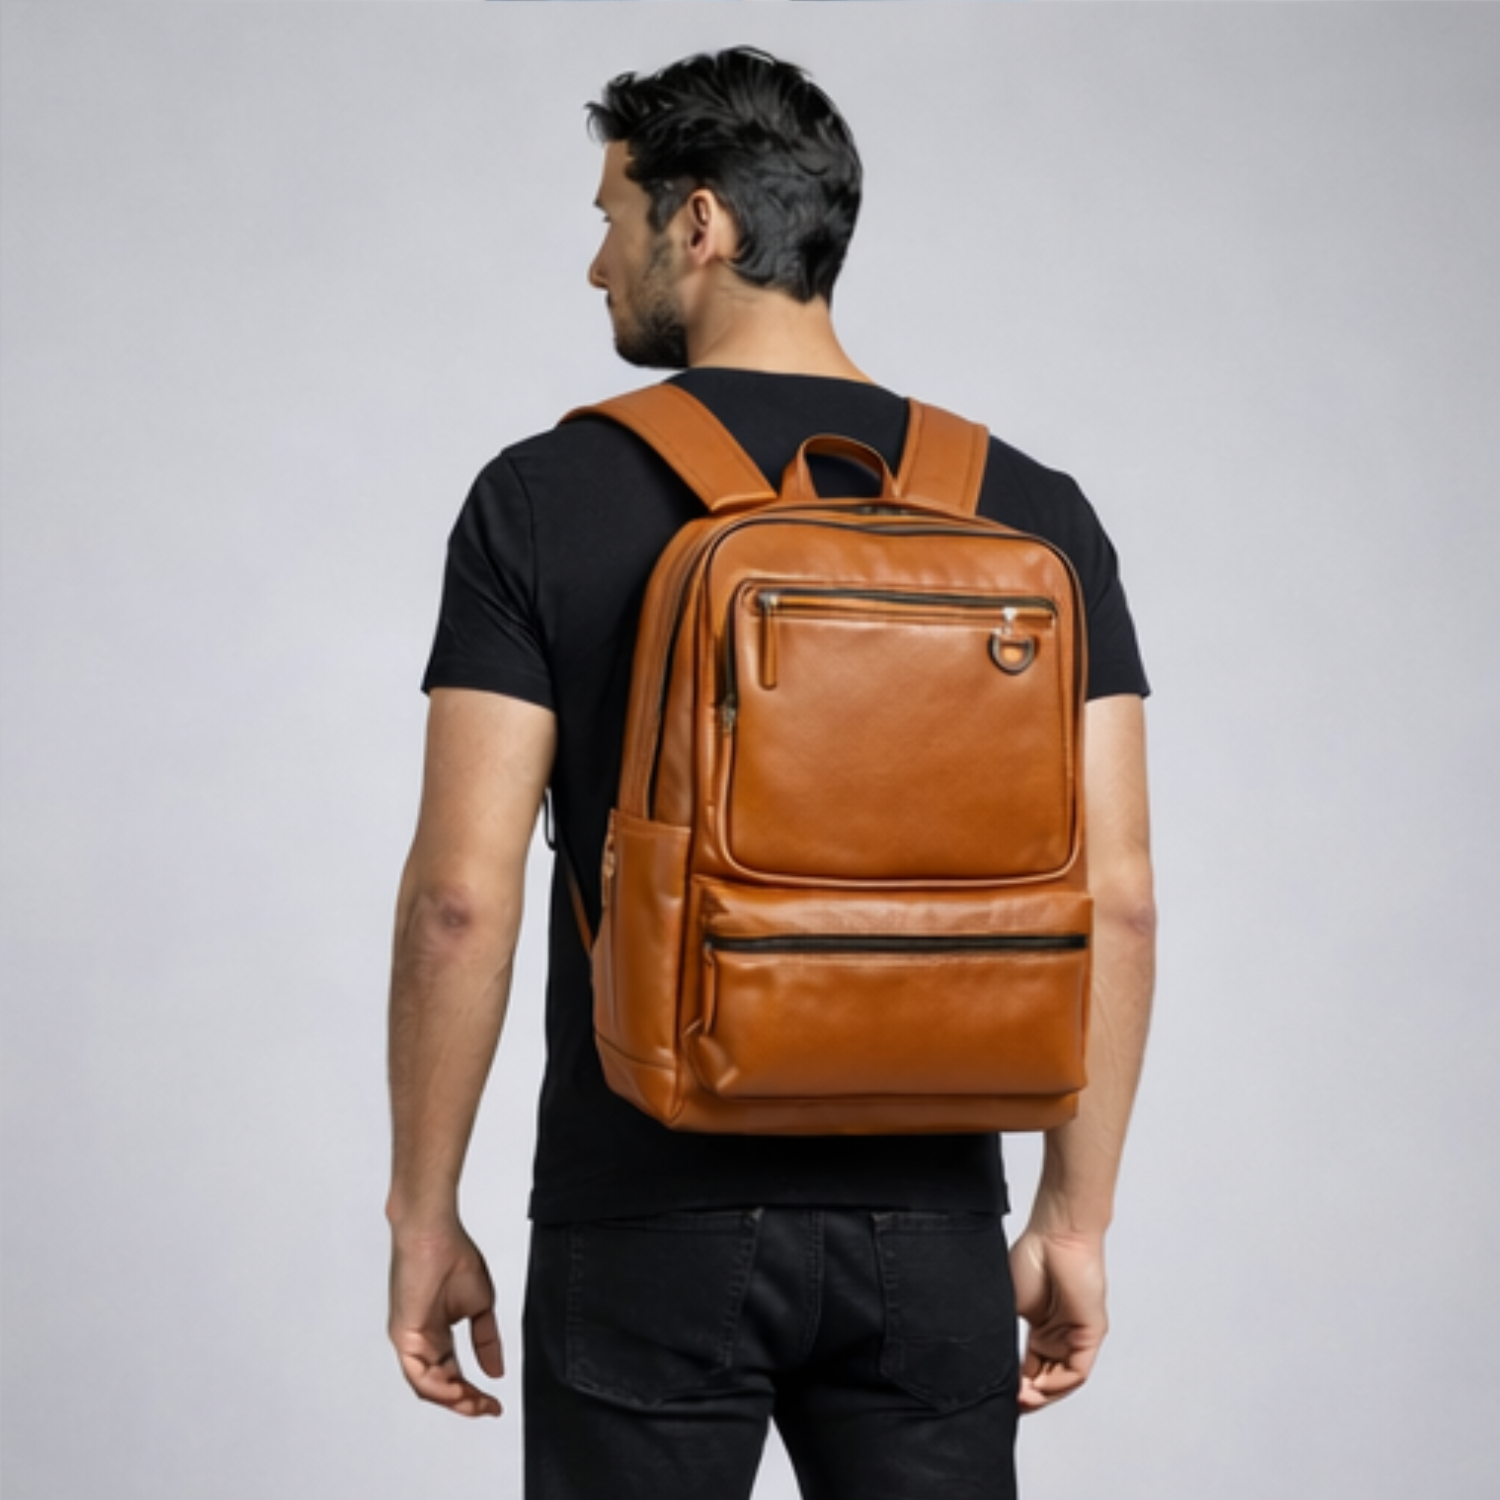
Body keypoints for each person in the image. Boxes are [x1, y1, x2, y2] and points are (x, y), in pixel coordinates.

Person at [386, 47, 1155, 1500]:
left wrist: (423, 1210)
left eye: (612, 216)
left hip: (642, 1213)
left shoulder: (543, 498)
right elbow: (1114, 903)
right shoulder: (1033, 511)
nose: (594, 262)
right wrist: (1075, 1213)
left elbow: (457, 905)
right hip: (932, 1226)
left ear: (704, 223)